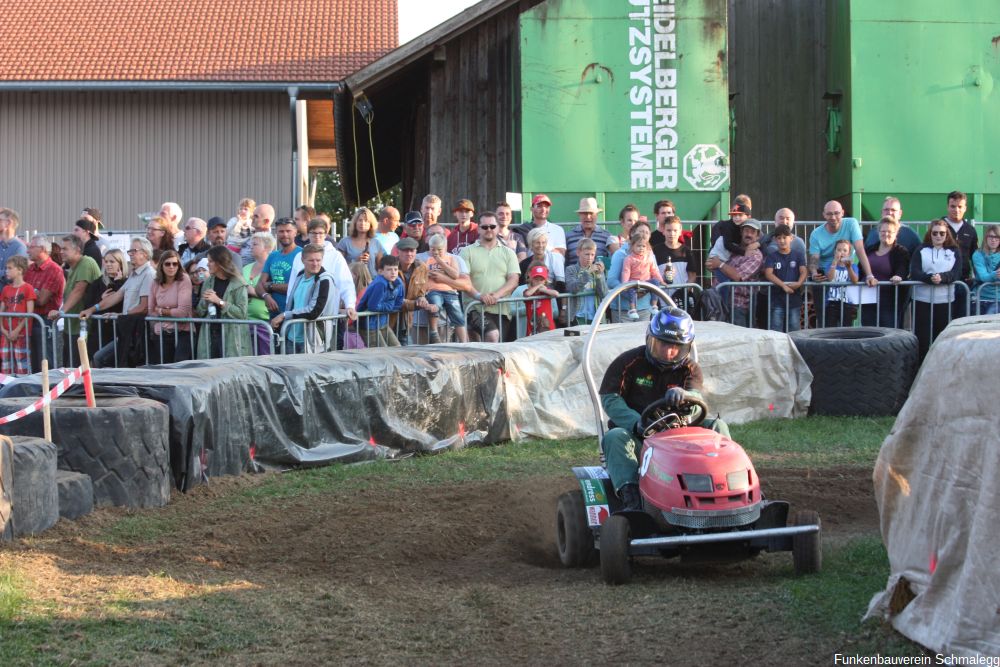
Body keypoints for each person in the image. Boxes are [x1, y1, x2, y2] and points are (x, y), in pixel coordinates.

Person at [599, 309, 728, 511]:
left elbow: (697, 397)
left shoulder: (690, 369)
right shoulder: (629, 362)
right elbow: (610, 398)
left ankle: (724, 487)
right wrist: (637, 423)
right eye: (663, 344)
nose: (669, 352)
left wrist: (687, 397)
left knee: (717, 426)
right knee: (615, 436)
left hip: (681, 436)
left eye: (676, 347)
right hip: (640, 438)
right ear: (651, 339)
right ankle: (632, 501)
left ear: (686, 347)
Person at [80, 238, 155, 368]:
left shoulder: (148, 274)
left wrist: (120, 316)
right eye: (130, 251)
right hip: (127, 331)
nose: (130, 253)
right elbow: (116, 296)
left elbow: (143, 307)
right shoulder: (134, 275)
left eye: (134, 251)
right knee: (106, 360)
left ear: (145, 253)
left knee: (101, 359)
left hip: (138, 333)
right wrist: (92, 309)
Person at [271, 244, 351, 353]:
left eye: (318, 260)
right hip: (291, 336)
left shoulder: (325, 280)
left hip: (312, 340)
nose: (315, 264)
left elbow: (314, 311)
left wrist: (284, 315)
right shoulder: (299, 275)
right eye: (311, 260)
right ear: (302, 260)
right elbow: (292, 302)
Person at [460, 211, 521, 342]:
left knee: (497, 348)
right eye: (484, 227)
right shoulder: (466, 251)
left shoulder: (509, 253)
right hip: (475, 308)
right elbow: (464, 281)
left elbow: (514, 280)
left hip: (502, 310)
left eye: (492, 226)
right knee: (492, 335)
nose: (489, 229)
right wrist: (479, 296)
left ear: (498, 228)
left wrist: (496, 296)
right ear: (478, 229)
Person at [910, 220, 963, 359]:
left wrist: (943, 278)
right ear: (930, 233)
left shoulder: (954, 251)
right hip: (922, 300)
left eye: (942, 233)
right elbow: (915, 271)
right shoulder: (921, 249)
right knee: (922, 337)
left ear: (947, 234)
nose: (938, 236)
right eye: (935, 233)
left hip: (945, 300)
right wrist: (929, 278)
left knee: (941, 337)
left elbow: (957, 273)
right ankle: (920, 367)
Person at [49, 235, 101, 366]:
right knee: (69, 366)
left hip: (84, 326)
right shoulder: (73, 267)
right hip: (72, 325)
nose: (61, 252)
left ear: (77, 249)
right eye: (61, 248)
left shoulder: (86, 262)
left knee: (79, 367)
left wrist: (61, 312)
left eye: (65, 248)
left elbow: (79, 290)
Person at [195, 245, 251, 359]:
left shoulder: (238, 283)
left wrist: (219, 301)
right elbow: (200, 312)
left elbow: (241, 313)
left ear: (220, 263)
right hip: (211, 333)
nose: (207, 264)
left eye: (210, 261)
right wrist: (205, 302)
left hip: (231, 336)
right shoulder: (208, 282)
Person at [860, 217, 910, 327]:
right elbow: (860, 269)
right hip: (868, 298)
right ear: (878, 232)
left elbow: (903, 267)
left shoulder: (901, 251)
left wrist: (898, 276)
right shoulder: (869, 250)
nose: (886, 234)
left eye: (889, 232)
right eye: (883, 231)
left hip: (889, 300)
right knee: (868, 331)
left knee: (888, 331)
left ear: (896, 233)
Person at [26, 236, 65, 371]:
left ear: (42, 249)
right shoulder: (30, 269)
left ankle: (49, 390)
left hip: (45, 321)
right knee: (34, 361)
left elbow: (42, 300)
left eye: (31, 247)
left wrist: (29, 294)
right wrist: (34, 293)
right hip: (31, 320)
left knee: (45, 360)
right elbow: (24, 294)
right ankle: (38, 390)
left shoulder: (54, 270)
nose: (27, 251)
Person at [147, 249, 193, 364]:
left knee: (179, 367)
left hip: (183, 332)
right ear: (161, 265)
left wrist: (161, 311)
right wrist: (172, 312)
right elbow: (151, 310)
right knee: (163, 369)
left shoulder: (184, 279)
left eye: (175, 264)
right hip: (161, 332)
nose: (171, 267)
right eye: (167, 264)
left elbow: (182, 312)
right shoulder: (155, 283)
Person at [715, 221, 764, 327]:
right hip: (719, 301)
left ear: (757, 235)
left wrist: (719, 264)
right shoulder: (732, 248)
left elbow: (737, 276)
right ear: (741, 232)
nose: (749, 234)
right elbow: (710, 264)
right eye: (746, 230)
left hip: (738, 304)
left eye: (752, 232)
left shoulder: (756, 256)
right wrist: (716, 265)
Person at [81, 249, 127, 358]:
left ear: (120, 263)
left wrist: (118, 282)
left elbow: (123, 303)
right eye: (106, 262)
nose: (108, 265)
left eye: (112, 262)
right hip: (99, 331)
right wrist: (101, 299)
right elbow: (87, 305)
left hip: (117, 330)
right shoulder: (98, 282)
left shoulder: (126, 282)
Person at [424, 233, 469, 344]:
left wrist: (440, 262)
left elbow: (455, 275)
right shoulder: (428, 260)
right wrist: (428, 272)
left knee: (458, 315)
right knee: (435, 306)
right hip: (434, 290)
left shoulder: (451, 259)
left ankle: (464, 342)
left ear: (445, 247)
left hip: (450, 291)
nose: (436, 252)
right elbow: (424, 275)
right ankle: (434, 332)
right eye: (433, 249)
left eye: (439, 249)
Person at [762, 224, 807, 332]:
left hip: (794, 299)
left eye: (784, 237)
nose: (782, 240)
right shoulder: (772, 256)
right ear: (775, 239)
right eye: (779, 238)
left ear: (791, 238)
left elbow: (804, 271)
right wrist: (783, 286)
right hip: (777, 300)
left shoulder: (798, 255)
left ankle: (795, 349)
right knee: (776, 329)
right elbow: (768, 273)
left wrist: (799, 283)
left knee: (794, 329)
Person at [942, 190, 978, 319]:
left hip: (963, 282)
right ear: (947, 206)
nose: (956, 210)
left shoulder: (970, 230)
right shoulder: (939, 227)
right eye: (953, 206)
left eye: (960, 206)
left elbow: (975, 257)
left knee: (961, 318)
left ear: (965, 208)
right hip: (943, 283)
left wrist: (977, 279)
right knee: (943, 318)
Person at [257, 217, 302, 321]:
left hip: (293, 315)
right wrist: (266, 296)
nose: (285, 234)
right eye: (281, 231)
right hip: (273, 315)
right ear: (276, 233)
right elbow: (259, 285)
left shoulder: (302, 254)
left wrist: (271, 286)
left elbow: (296, 288)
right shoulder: (273, 255)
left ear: (295, 232)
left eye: (288, 231)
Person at [392, 237, 433, 345]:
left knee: (404, 351)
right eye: (405, 250)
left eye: (412, 250)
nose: (409, 254)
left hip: (407, 319)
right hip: (388, 318)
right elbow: (391, 299)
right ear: (398, 252)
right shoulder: (390, 266)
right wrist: (416, 304)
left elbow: (421, 290)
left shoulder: (422, 267)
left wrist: (421, 298)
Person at [356, 255, 405, 347]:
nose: (393, 272)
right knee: (382, 353)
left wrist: (389, 306)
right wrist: (389, 306)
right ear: (381, 271)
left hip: (382, 322)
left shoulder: (398, 282)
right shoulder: (380, 284)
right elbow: (373, 306)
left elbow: (399, 302)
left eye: (395, 269)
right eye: (389, 269)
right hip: (368, 324)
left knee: (397, 348)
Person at [0, 256, 36, 375]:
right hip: (6, 333)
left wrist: (16, 330)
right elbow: (1, 311)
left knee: (22, 364)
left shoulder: (28, 288)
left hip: (21, 333)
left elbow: (29, 313)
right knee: (6, 363)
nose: (6, 271)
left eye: (10, 268)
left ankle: (23, 388)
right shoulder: (5, 289)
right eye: (6, 268)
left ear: (20, 270)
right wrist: (3, 330)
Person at [243, 232, 276, 354]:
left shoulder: (273, 268)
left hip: (265, 322)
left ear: (267, 248)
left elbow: (275, 294)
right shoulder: (246, 268)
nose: (251, 247)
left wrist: (252, 291)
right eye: (251, 244)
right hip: (245, 321)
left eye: (255, 244)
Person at [620, 231, 664, 321]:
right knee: (631, 289)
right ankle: (632, 309)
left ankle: (654, 305)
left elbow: (654, 270)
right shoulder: (629, 259)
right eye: (638, 246)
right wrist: (625, 284)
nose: (641, 248)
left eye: (643, 246)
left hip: (646, 283)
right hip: (634, 282)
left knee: (656, 282)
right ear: (632, 246)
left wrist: (661, 280)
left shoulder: (648, 257)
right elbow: (626, 272)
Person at [565, 238, 607, 325]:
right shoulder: (571, 269)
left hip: (596, 316)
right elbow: (573, 288)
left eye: (592, 255)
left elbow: (604, 294)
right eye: (587, 254)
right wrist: (587, 273)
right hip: (577, 316)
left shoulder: (597, 270)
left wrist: (599, 276)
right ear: (578, 253)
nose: (590, 258)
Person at [336, 207, 384, 277]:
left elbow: (381, 268)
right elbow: (338, 266)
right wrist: (356, 261)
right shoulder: (345, 242)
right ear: (355, 223)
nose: (362, 223)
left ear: (371, 224)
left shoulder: (376, 243)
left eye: (366, 221)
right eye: (360, 220)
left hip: (372, 282)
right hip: (352, 281)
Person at [565, 197, 613, 266]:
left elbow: (609, 263)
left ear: (597, 214)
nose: (588, 217)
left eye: (591, 213)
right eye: (584, 213)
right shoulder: (569, 237)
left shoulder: (606, 236)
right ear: (579, 215)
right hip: (573, 276)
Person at [823, 239, 859, 327]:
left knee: (846, 329)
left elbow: (855, 280)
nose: (841, 252)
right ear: (834, 251)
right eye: (839, 250)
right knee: (830, 328)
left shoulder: (853, 266)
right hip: (832, 302)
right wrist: (834, 262)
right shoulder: (830, 265)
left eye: (845, 250)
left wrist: (849, 267)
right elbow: (830, 278)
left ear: (849, 253)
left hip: (847, 303)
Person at [519, 228, 566, 292]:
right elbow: (522, 286)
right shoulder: (524, 264)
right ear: (531, 244)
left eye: (543, 242)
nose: (541, 245)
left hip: (552, 298)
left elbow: (561, 285)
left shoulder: (555, 258)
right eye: (537, 242)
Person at [972, 224, 1000, 315]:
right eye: (991, 236)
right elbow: (983, 276)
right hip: (980, 297)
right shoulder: (978, 254)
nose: (993, 240)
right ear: (986, 238)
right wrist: (996, 274)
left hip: (997, 298)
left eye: (997, 237)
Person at [523, 264, 559, 334]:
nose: (538, 282)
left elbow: (556, 294)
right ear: (531, 279)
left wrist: (543, 290)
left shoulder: (546, 291)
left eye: (541, 280)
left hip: (547, 328)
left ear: (545, 281)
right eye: (536, 279)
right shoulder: (527, 291)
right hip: (532, 329)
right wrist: (539, 286)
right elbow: (527, 294)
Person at [0, 208, 28, 289]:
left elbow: (15, 275)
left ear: (8, 223)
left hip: (10, 298)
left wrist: (7, 273)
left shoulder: (20, 247)